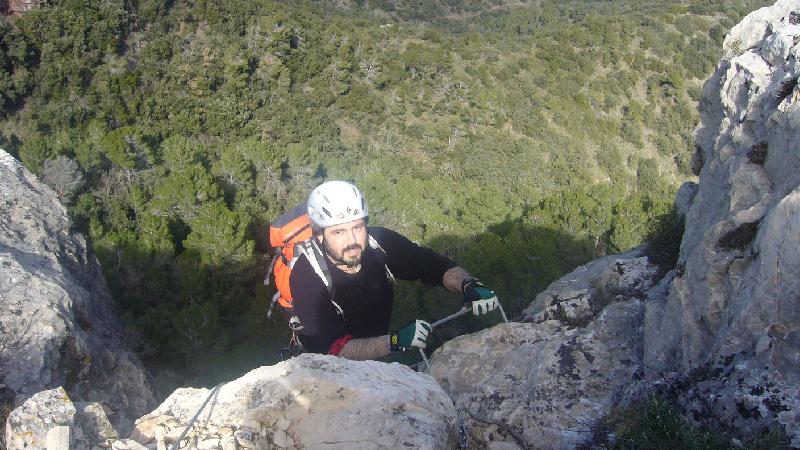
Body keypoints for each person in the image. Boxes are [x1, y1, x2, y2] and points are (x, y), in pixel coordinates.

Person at [289, 180, 499, 360]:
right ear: (319, 235)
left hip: (375, 348)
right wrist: (394, 341)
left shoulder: (378, 242)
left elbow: (430, 265)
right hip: (329, 367)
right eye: (339, 232)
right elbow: (333, 348)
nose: (352, 241)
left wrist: (468, 284)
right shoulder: (307, 275)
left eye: (357, 227)